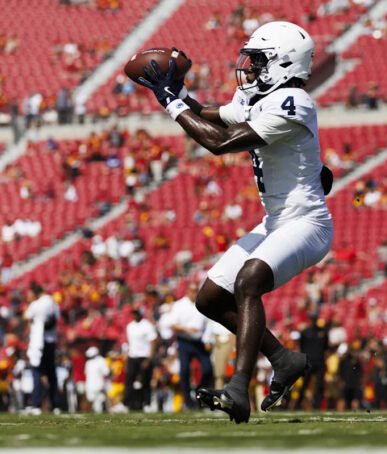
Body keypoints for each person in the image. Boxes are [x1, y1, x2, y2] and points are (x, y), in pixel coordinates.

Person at [138, 21, 333, 424]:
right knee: (211, 299)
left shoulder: (293, 101)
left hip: (308, 223)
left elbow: (219, 141)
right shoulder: (262, 97)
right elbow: (213, 116)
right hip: (276, 221)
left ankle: (238, 388)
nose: (251, 68)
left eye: (259, 61)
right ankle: (283, 359)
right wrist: (179, 95)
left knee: (248, 280)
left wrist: (170, 104)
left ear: (284, 63)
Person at [169, 283, 213, 409]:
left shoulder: (202, 304)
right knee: (184, 371)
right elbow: (173, 325)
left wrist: (207, 339)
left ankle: (199, 392)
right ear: (187, 291)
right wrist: (187, 329)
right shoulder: (179, 305)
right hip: (184, 341)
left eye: (196, 291)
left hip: (200, 342)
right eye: (192, 291)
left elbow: (208, 323)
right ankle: (188, 401)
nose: (194, 293)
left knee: (207, 369)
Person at [23, 282, 60, 414]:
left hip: (39, 342)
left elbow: (26, 316)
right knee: (51, 373)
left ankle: (36, 404)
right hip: (51, 341)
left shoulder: (36, 305)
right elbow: (57, 318)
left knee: (37, 372)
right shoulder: (54, 304)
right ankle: (55, 404)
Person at [124, 307, 157, 411]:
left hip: (144, 356)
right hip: (133, 356)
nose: (135, 315)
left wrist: (149, 359)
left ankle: (147, 404)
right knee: (129, 381)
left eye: (137, 313)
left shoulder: (147, 325)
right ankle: (126, 404)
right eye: (133, 313)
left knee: (145, 381)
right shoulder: (130, 326)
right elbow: (131, 343)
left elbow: (153, 342)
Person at [84, 346, 110, 414]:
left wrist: (105, 384)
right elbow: (86, 374)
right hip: (90, 384)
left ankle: (99, 412)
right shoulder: (88, 362)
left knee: (99, 400)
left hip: (99, 384)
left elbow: (106, 372)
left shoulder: (101, 360)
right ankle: (97, 411)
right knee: (91, 399)